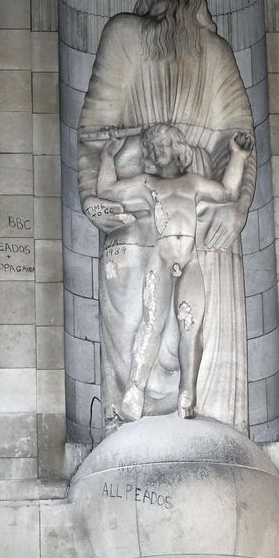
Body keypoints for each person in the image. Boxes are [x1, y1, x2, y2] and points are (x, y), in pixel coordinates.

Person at [77, 0, 256, 433]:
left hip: (200, 211)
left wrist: (236, 207)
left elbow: (240, 137)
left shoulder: (215, 53)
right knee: (142, 318)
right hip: (135, 197)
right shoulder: (124, 35)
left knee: (193, 323)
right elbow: (94, 131)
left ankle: (201, 415)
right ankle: (128, 415)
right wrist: (92, 196)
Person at [97, 124, 254, 421]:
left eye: (164, 145)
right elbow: (105, 190)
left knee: (191, 328)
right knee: (152, 322)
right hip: (162, 256)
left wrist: (237, 156)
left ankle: (187, 395)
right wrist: (107, 156)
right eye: (153, 147)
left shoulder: (192, 182)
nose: (158, 152)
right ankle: (134, 388)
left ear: (177, 146)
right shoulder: (148, 183)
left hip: (190, 259)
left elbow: (229, 192)